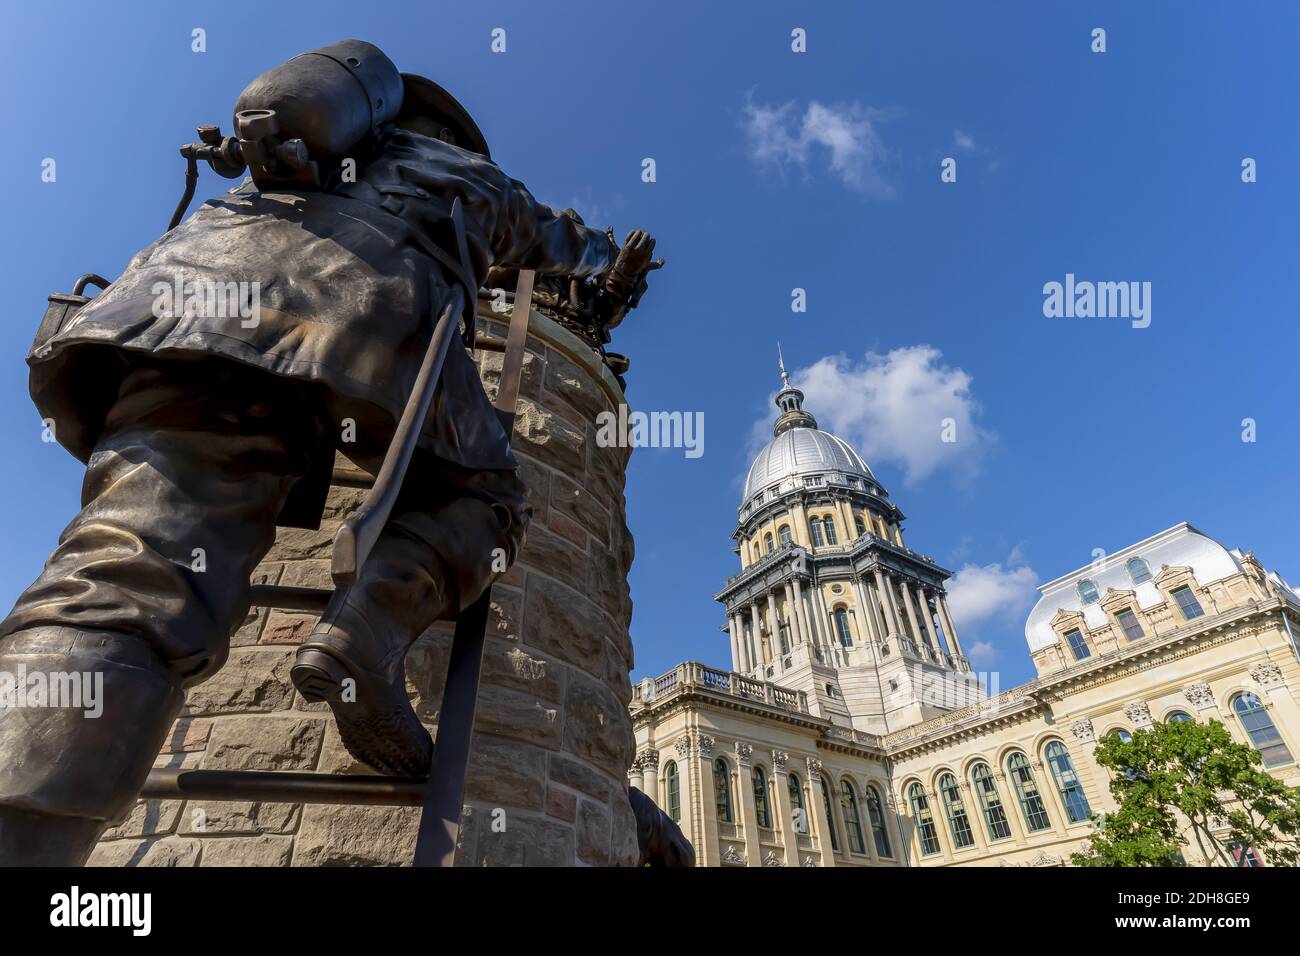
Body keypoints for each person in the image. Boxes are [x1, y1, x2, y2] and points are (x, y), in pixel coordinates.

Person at [0, 40, 656, 865]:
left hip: (172, 310)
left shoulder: (276, 169)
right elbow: (560, 244)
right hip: (355, 324)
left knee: (117, 573)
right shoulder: (463, 176)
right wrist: (606, 255)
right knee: (485, 498)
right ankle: (367, 630)